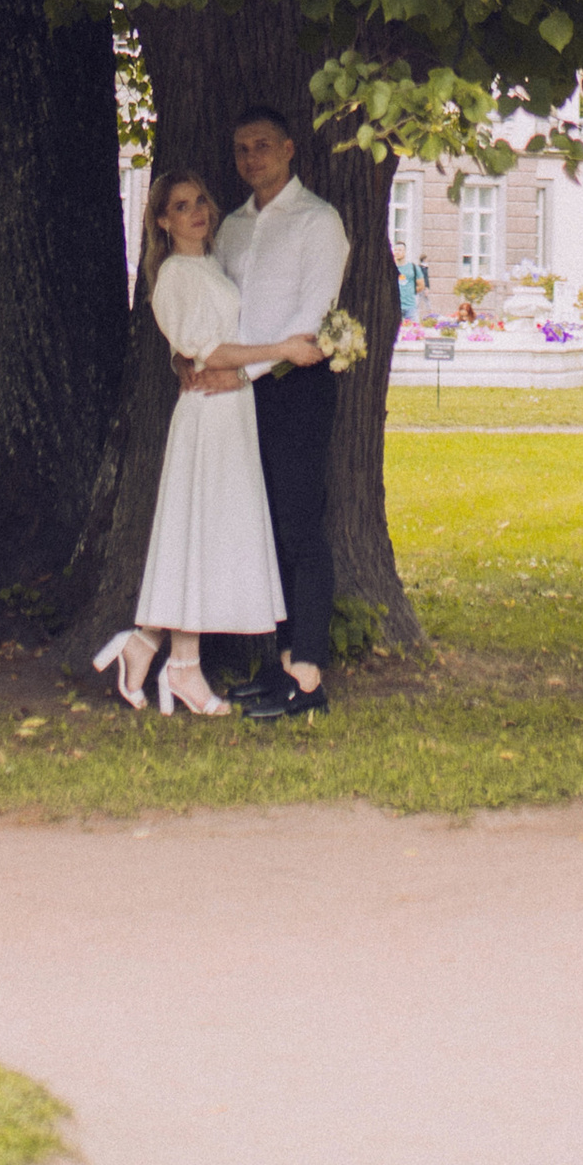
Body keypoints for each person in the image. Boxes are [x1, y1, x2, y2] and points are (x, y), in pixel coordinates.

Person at [91, 171, 286, 716]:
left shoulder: (211, 264)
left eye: (201, 200)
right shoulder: (175, 273)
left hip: (231, 414)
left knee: (207, 537)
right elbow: (207, 351)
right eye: (181, 206)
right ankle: (182, 667)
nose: (196, 211)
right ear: (162, 221)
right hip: (207, 417)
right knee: (199, 534)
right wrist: (284, 348)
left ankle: (147, 644)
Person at [190, 102, 351, 721]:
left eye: (262, 145)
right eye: (241, 149)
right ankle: (279, 663)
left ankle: (309, 675)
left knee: (300, 527)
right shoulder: (229, 226)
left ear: (288, 150)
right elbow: (221, 312)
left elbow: (309, 323)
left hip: (295, 388)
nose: (251, 158)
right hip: (238, 392)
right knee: (259, 528)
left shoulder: (318, 222)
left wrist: (242, 370)